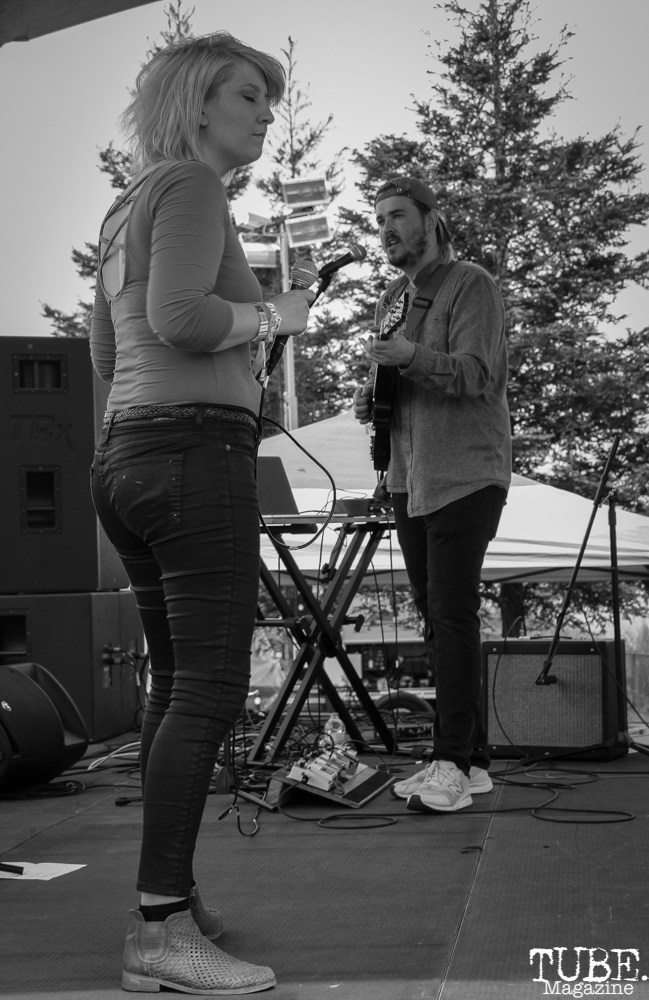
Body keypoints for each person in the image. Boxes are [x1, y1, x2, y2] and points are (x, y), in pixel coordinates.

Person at [90, 33, 314, 995]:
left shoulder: (126, 204)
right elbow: (181, 320)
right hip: (188, 455)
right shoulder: (189, 187)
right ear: (197, 104)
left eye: (267, 98)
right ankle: (159, 932)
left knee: (176, 683)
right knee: (210, 686)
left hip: (128, 455)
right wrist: (273, 317)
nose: (265, 112)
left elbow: (108, 355)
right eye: (248, 95)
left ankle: (170, 901)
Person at [353, 177, 511, 814]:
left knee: (451, 613)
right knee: (436, 617)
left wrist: (410, 356)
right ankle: (471, 762)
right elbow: (398, 380)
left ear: (430, 220)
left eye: (397, 215)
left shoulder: (471, 283)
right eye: (379, 220)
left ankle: (450, 761)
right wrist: (373, 395)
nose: (386, 229)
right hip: (408, 478)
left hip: (465, 472)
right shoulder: (391, 297)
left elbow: (479, 374)